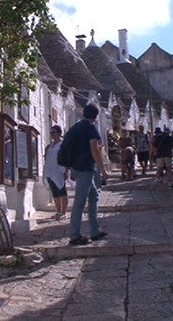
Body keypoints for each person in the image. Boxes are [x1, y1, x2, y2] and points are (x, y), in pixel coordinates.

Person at [66, 104, 109, 246]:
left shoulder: (75, 128)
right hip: (86, 168)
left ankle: (95, 230)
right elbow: (94, 149)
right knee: (80, 201)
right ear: (95, 116)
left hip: (77, 167)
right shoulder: (91, 128)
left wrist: (71, 168)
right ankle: (75, 235)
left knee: (93, 195)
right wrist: (103, 170)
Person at [43, 125, 68, 220]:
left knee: (61, 191)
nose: (51, 134)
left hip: (59, 171)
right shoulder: (50, 146)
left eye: (53, 132)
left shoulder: (63, 144)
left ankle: (63, 212)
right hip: (50, 171)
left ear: (59, 133)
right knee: (55, 193)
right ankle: (58, 211)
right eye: (50, 133)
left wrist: (66, 171)